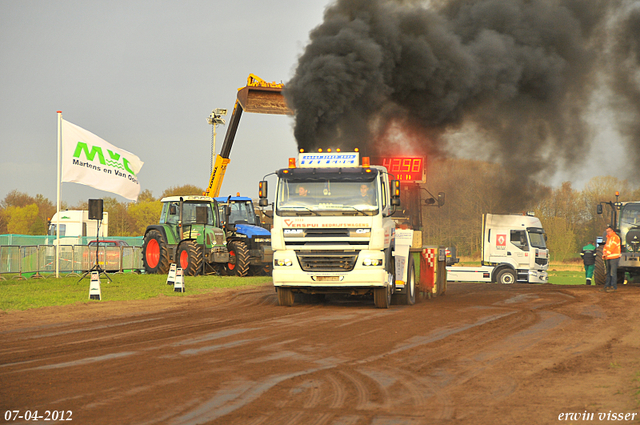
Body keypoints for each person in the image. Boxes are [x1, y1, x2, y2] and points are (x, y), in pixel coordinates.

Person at [600, 226, 621, 293]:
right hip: (608, 257)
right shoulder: (609, 238)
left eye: (608, 231)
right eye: (607, 231)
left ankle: (613, 287)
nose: (607, 232)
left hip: (614, 257)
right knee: (608, 272)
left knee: (613, 273)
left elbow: (612, 247)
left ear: (612, 231)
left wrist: (607, 253)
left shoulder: (615, 237)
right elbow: (606, 246)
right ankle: (607, 286)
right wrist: (604, 254)